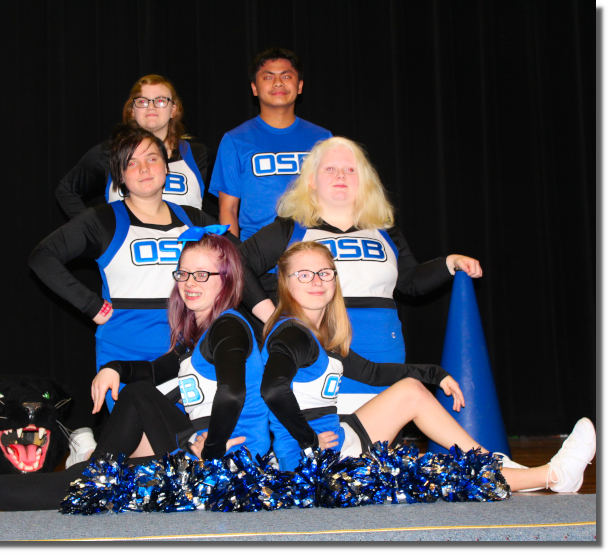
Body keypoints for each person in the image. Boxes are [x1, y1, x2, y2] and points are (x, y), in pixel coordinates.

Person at [0, 231, 270, 513]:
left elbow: (233, 393)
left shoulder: (229, 327)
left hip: (230, 469)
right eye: (184, 273)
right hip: (207, 456)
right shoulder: (200, 333)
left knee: (120, 429)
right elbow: (156, 369)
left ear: (228, 277)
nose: (190, 283)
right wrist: (113, 367)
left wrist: (213, 446)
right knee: (99, 464)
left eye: (203, 274)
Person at [259, 241, 595, 494]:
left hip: (332, 444)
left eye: (324, 272)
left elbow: (374, 374)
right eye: (304, 274)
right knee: (423, 471)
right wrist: (308, 438)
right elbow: (272, 389)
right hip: (313, 465)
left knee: (410, 393)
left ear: (335, 280)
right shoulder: (292, 333)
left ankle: (502, 469)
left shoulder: (316, 335)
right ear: (286, 283)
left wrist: (436, 374)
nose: (317, 280)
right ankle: (547, 475)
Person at [241, 136, 483, 414]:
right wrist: (270, 316)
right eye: (330, 169)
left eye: (350, 169)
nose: (341, 175)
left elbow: (410, 282)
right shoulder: (289, 230)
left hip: (383, 351)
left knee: (381, 450)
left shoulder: (385, 232)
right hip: (316, 353)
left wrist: (449, 263)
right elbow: (236, 264)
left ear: (363, 179)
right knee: (324, 445)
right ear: (311, 180)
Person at [30, 126, 236, 412]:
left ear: (166, 167)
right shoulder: (101, 220)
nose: (143, 169)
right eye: (131, 162)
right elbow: (43, 256)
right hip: (123, 355)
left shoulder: (194, 219)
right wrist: (90, 305)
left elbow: (240, 261)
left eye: (152, 159)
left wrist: (263, 310)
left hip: (187, 352)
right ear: (120, 175)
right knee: (142, 450)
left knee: (188, 447)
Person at [209, 47, 332, 241]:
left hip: (314, 251)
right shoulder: (235, 140)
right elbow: (228, 209)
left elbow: (336, 200)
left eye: (286, 76)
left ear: (299, 86)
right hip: (258, 258)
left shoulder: (323, 139)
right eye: (268, 77)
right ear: (254, 88)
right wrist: (235, 261)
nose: (277, 83)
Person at [55, 75, 215, 218]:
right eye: (142, 101)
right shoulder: (111, 152)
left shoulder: (198, 154)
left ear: (174, 109)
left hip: (187, 249)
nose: (151, 107)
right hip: (128, 250)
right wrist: (94, 231)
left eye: (160, 101)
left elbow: (229, 200)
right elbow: (66, 190)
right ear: (132, 110)